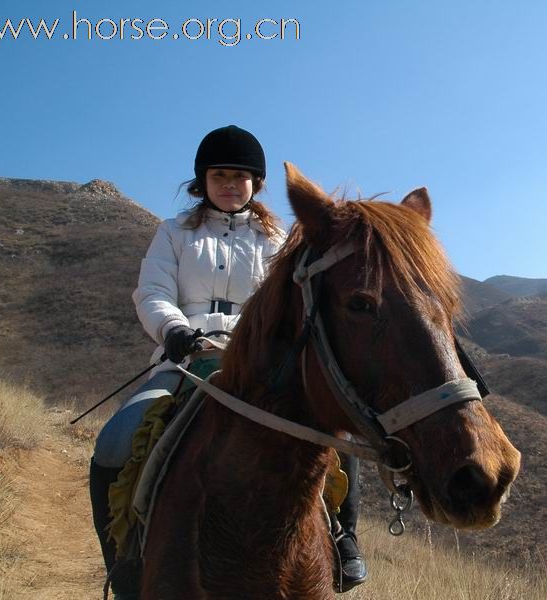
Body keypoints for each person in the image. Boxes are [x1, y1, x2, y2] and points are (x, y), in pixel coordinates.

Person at [87, 125, 366, 598]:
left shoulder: (280, 240)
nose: (230, 185)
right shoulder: (173, 233)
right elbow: (152, 292)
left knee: (335, 437)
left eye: (240, 176)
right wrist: (174, 331)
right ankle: (125, 563)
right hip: (185, 363)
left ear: (256, 183)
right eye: (219, 175)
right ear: (202, 181)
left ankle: (344, 540)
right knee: (115, 440)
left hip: (262, 365)